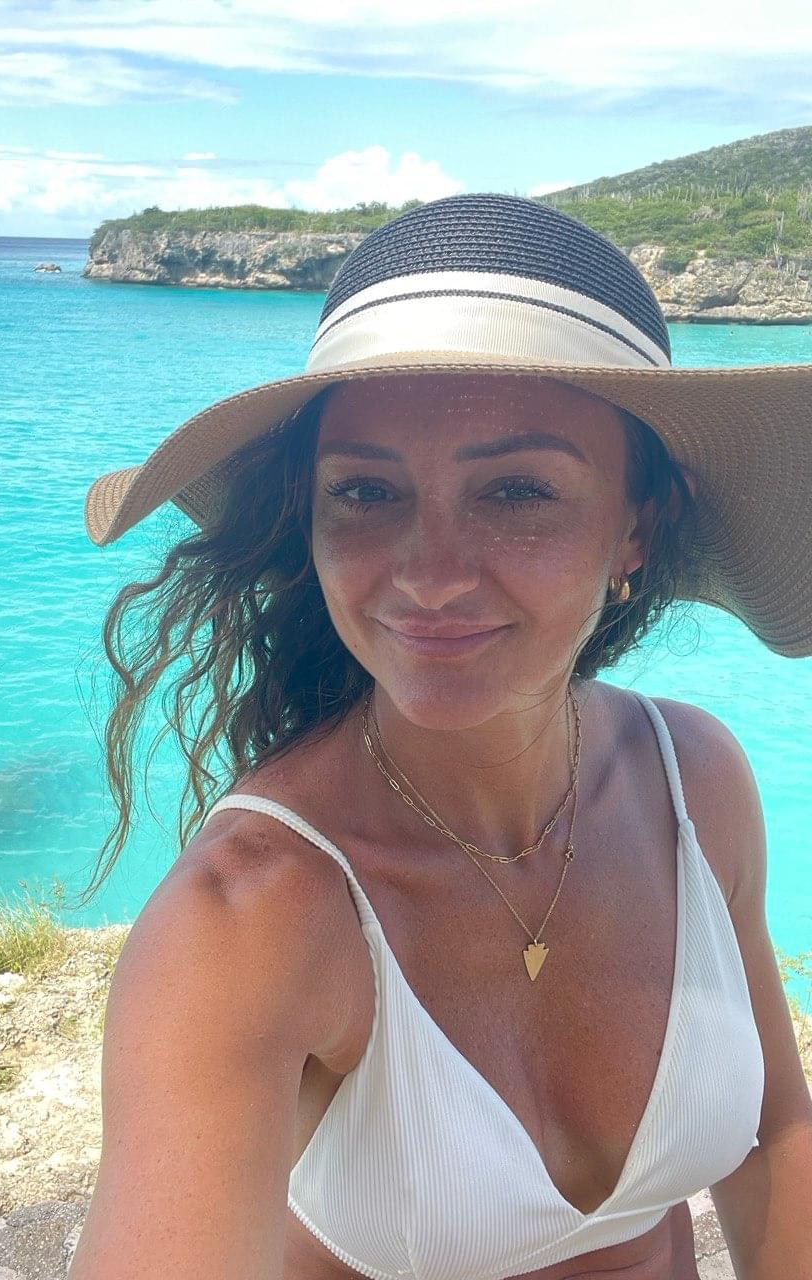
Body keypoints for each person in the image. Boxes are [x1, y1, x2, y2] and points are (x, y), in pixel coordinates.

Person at [68, 194, 812, 1280]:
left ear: (638, 525)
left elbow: (773, 1133)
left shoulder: (693, 781)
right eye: (367, 491)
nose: (428, 574)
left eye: (515, 491)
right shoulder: (252, 919)